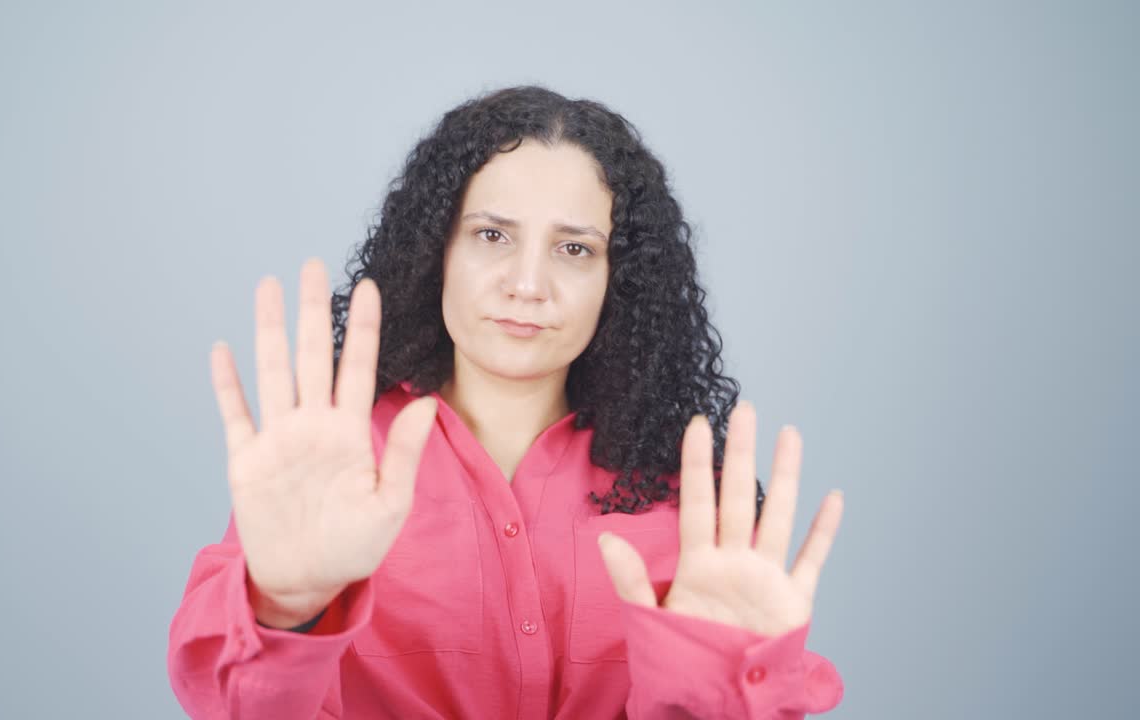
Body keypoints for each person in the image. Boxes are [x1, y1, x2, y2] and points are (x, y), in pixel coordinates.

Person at [166, 85, 846, 719]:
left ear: (621, 282)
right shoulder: (333, 458)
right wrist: (284, 608)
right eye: (492, 236)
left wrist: (720, 685)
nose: (528, 284)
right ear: (438, 251)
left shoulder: (689, 502)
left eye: (574, 249)